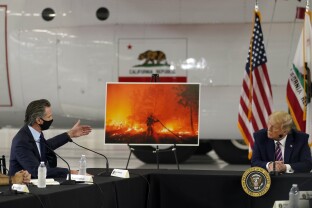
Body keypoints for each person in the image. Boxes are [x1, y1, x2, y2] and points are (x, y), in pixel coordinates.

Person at [9, 99, 92, 178]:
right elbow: (36, 171)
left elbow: (46, 146)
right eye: (49, 117)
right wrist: (69, 172)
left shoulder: (35, 133)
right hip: (21, 188)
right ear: (39, 120)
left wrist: (70, 134)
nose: (51, 119)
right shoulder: (21, 141)